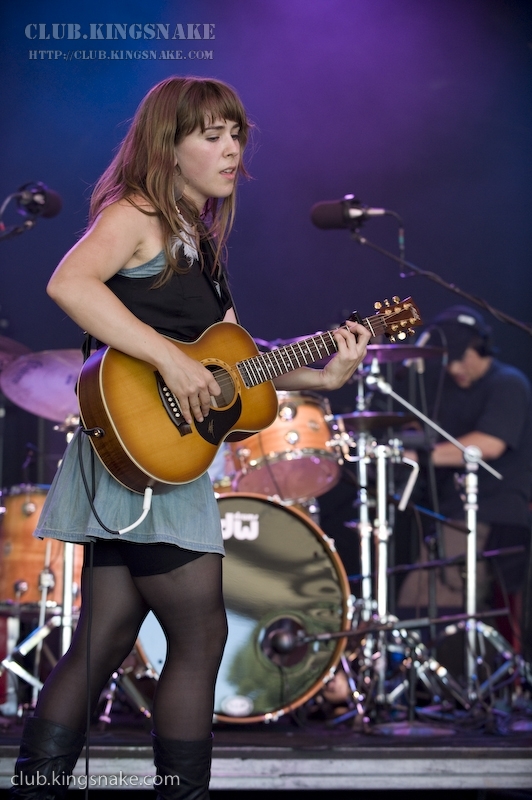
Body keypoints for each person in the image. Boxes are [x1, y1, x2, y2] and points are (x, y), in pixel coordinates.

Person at [10, 76, 371, 799]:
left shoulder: (199, 242)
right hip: (145, 456)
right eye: (212, 135)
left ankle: (35, 787)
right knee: (200, 635)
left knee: (105, 639)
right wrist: (170, 361)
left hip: (157, 458)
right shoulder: (135, 213)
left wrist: (321, 375)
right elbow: (70, 284)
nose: (232, 148)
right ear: (168, 147)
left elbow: (238, 366)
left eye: (237, 134)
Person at [398, 305, 532, 652]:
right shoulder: (448, 389)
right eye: (449, 360)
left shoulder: (507, 383)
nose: (454, 368)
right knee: (421, 599)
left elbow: (489, 444)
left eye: (460, 358)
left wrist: (419, 457)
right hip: (451, 511)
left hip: (491, 513)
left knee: (426, 599)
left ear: (479, 347)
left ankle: (451, 673)